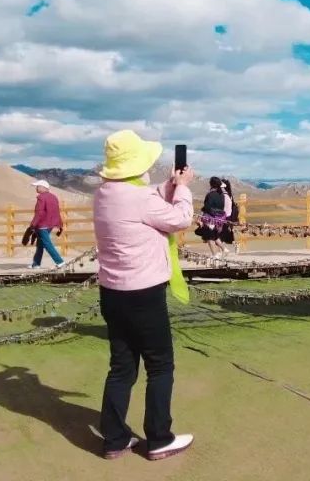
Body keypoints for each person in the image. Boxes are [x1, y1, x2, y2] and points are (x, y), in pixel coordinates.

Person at [92, 130, 196, 461]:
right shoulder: (140, 199)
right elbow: (181, 218)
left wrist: (168, 187)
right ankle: (159, 438)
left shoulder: (104, 193)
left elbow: (145, 200)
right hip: (144, 294)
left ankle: (114, 438)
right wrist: (182, 188)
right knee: (160, 365)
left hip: (112, 292)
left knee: (122, 366)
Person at [29, 179, 65, 269]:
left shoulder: (41, 197)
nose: (36, 188)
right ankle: (36, 264)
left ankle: (60, 261)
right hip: (50, 224)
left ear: (43, 187)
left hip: (42, 224)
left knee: (47, 243)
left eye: (37, 186)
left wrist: (33, 225)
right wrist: (59, 223)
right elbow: (56, 211)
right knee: (40, 244)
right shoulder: (54, 197)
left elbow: (39, 212)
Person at [195, 177, 234, 258]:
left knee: (209, 237)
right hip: (219, 219)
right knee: (215, 236)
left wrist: (202, 214)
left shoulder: (210, 195)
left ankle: (215, 254)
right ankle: (224, 249)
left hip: (210, 219)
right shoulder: (221, 195)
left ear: (211, 184)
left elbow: (207, 207)